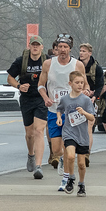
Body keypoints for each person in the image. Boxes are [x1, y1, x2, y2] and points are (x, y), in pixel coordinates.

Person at [37, 34, 85, 193]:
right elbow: (41, 85)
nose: (62, 50)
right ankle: (65, 159)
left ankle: (67, 176)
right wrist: (45, 97)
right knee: (57, 150)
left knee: (68, 146)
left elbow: (83, 85)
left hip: (71, 112)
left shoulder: (77, 65)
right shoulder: (48, 64)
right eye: (60, 47)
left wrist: (83, 94)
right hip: (53, 110)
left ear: (70, 48)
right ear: (56, 48)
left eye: (65, 47)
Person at [7, 34, 47, 179]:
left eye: (38, 45)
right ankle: (31, 154)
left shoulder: (47, 61)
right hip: (26, 99)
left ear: (42, 47)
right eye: (33, 45)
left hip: (42, 98)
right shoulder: (21, 61)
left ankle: (39, 166)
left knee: (38, 131)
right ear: (29, 46)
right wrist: (18, 85)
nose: (35, 47)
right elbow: (10, 77)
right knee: (30, 134)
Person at [56, 70, 96, 196]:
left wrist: (84, 113)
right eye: (77, 82)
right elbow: (59, 109)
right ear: (70, 83)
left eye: (82, 83)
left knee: (81, 164)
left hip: (82, 135)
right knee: (71, 156)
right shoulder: (65, 99)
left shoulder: (86, 100)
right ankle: (71, 178)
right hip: (69, 132)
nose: (80, 85)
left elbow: (92, 118)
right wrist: (58, 118)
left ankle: (82, 184)